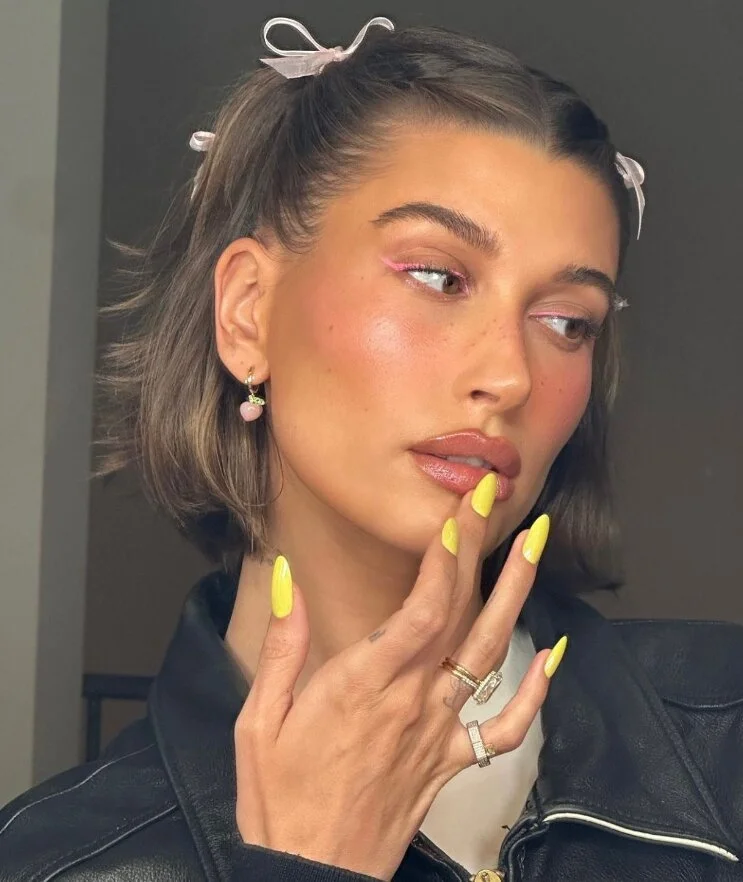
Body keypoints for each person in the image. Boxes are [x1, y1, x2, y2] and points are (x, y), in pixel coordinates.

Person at [1, 13, 741, 882]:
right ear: (248, 312)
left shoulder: (723, 732)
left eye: (565, 322)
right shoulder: (57, 861)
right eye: (437, 276)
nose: (510, 376)